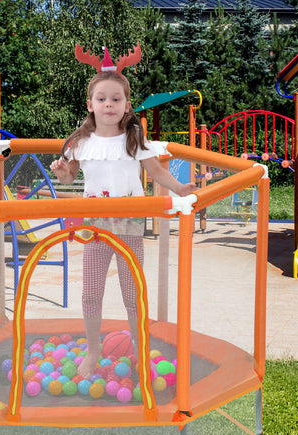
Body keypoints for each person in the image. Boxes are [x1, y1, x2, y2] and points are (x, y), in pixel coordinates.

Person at [50, 70, 197, 379]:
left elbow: (156, 171)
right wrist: (62, 172)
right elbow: (70, 177)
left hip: (129, 224)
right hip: (96, 227)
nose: (108, 105)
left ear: (127, 105)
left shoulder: (134, 139)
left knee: (132, 294)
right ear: (90, 104)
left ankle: (142, 350)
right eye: (101, 99)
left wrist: (179, 188)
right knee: (91, 292)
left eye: (116, 99)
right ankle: (93, 351)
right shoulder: (81, 142)